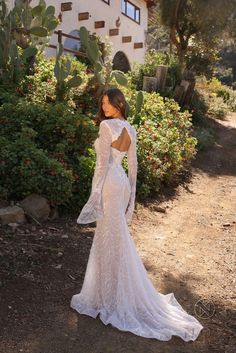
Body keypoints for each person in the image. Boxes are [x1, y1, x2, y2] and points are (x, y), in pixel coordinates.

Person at [70, 88, 204, 341]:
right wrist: (131, 196)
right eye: (103, 103)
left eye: (107, 103)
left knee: (108, 238)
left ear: (118, 103)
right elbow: (133, 166)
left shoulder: (107, 126)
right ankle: (111, 291)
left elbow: (101, 166)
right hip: (120, 183)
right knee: (115, 237)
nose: (104, 107)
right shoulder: (130, 128)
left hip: (109, 183)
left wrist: (94, 194)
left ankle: (108, 296)